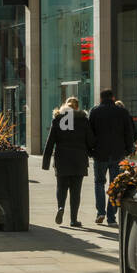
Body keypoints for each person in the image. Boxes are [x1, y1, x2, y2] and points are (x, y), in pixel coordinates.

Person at [42, 97, 95, 228]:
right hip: (79, 159)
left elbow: (50, 142)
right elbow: (91, 141)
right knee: (75, 191)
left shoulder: (58, 119)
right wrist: (91, 151)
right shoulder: (83, 120)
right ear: (77, 107)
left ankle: (60, 207)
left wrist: (46, 162)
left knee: (61, 187)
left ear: (65, 106)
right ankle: (73, 220)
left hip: (62, 159)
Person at [90, 88, 136, 225]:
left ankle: (100, 212)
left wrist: (91, 150)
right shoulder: (122, 112)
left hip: (100, 153)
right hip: (118, 153)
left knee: (99, 182)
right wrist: (128, 149)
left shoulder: (95, 111)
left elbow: (89, 133)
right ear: (113, 98)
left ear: (101, 98)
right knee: (115, 185)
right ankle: (111, 217)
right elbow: (129, 132)